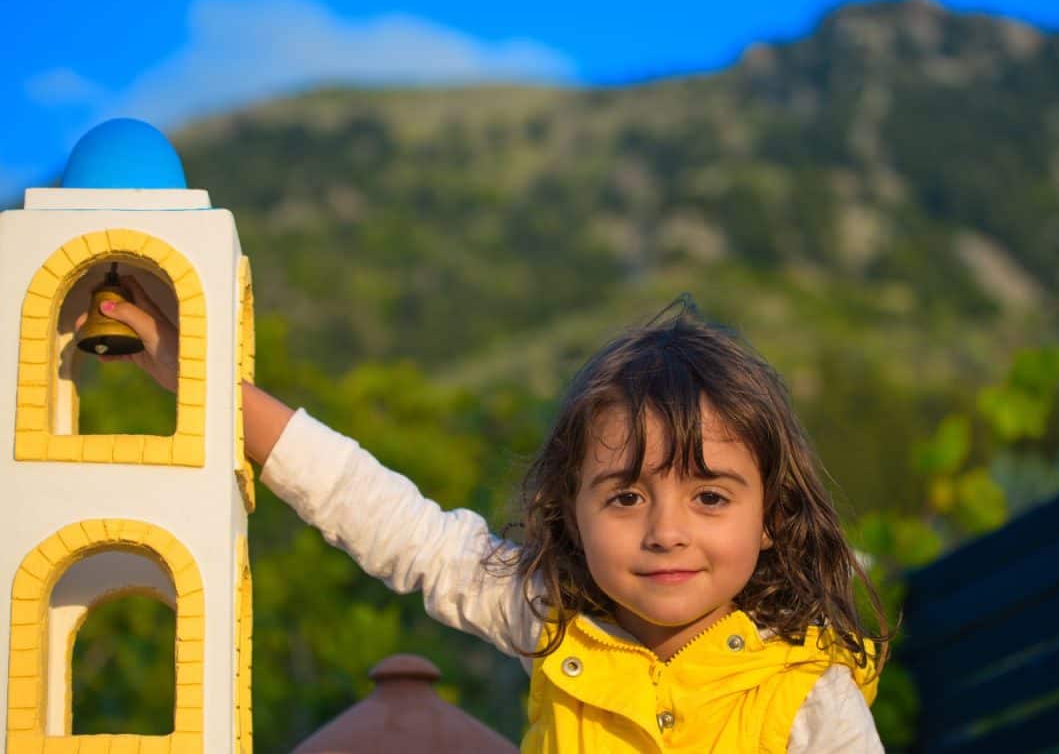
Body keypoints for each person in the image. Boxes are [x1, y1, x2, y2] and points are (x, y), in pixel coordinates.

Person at [88, 282, 889, 752]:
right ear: (571, 513)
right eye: (626, 495)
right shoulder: (550, 614)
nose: (667, 531)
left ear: (773, 516)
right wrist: (210, 387)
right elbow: (393, 522)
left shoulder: (812, 692)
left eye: (709, 495)